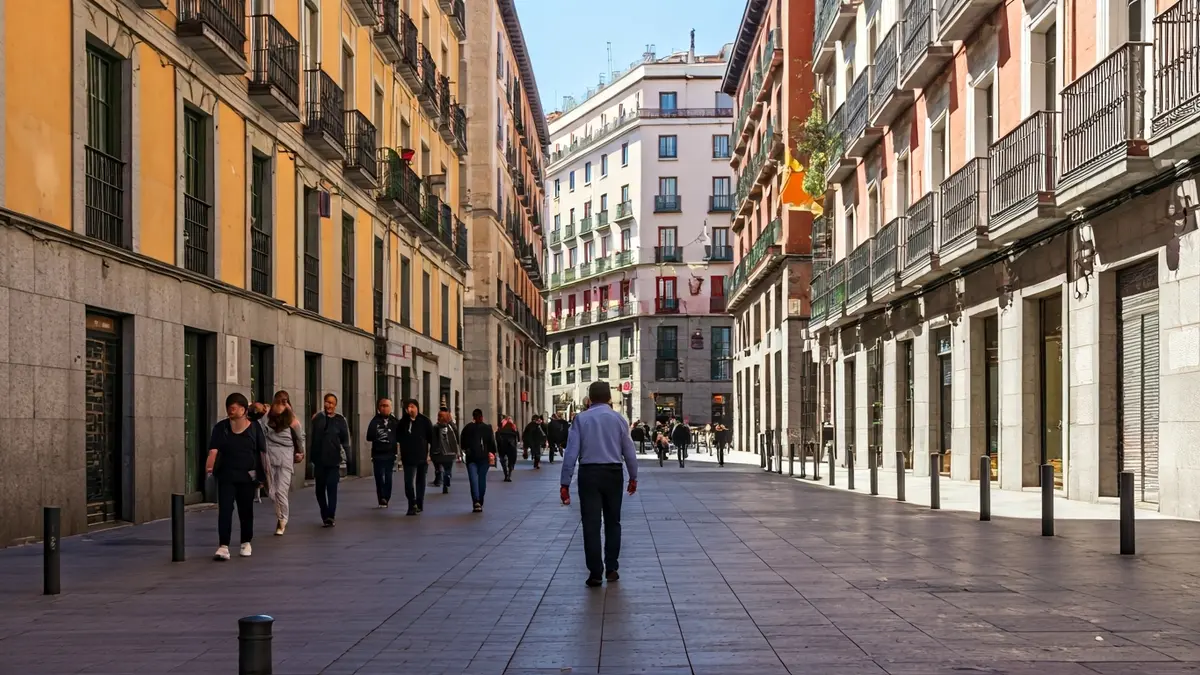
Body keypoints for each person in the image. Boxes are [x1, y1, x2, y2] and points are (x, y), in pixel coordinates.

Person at [561, 382, 638, 587]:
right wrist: (633, 476)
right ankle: (611, 567)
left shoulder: (581, 419)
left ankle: (595, 572)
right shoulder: (619, 419)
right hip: (613, 474)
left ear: (590, 399)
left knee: (591, 524)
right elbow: (628, 450)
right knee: (613, 522)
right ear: (609, 398)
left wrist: (565, 482)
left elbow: (571, 452)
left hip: (589, 474)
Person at [206, 393, 269, 560]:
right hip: (226, 475)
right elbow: (213, 450)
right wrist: (209, 468)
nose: (230, 411)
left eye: (233, 408)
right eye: (228, 408)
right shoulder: (221, 428)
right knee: (225, 510)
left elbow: (262, 453)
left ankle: (246, 542)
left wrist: (263, 477)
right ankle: (223, 546)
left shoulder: (255, 428)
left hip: (247, 476)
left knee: (245, 510)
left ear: (243, 409)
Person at [256, 391, 305, 535]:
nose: (281, 405)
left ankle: (282, 520)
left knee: (281, 490)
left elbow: (299, 438)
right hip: (270, 455)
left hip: (285, 456)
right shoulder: (266, 417)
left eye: (284, 402)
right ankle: (280, 516)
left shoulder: (292, 420)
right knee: (271, 491)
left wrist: (300, 453)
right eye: (279, 402)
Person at [310, 393, 350, 527]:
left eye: (331, 403)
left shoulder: (340, 420)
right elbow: (312, 438)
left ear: (335, 405)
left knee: (332, 488)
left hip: (333, 460)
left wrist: (347, 457)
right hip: (319, 460)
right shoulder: (318, 419)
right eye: (327, 402)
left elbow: (345, 440)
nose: (329, 405)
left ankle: (330, 516)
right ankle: (324, 513)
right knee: (319, 490)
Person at [397, 398, 435, 516]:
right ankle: (411, 503)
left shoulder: (425, 421)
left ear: (417, 407)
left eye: (412, 406)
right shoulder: (403, 422)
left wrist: (430, 454)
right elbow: (398, 437)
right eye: (408, 407)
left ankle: (419, 503)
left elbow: (432, 439)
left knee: (420, 481)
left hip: (422, 456)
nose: (410, 409)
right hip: (408, 456)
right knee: (408, 481)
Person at [460, 409, 497, 512]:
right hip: (483, 458)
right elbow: (492, 444)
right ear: (482, 417)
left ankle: (476, 501)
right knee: (481, 479)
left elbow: (462, 443)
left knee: (473, 480)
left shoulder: (467, 428)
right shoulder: (487, 428)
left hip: (471, 458)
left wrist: (467, 450)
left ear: (473, 417)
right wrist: (492, 454)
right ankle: (480, 500)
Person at [367, 398, 401, 508]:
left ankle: (386, 497)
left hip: (390, 453)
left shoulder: (395, 422)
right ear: (378, 408)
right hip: (378, 453)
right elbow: (369, 436)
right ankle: (381, 497)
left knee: (388, 476)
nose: (384, 408)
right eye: (382, 405)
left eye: (387, 406)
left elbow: (400, 437)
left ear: (391, 408)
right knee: (379, 476)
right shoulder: (374, 421)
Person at [431, 410, 460, 493]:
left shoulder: (435, 427)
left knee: (438, 466)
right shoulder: (452, 427)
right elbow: (457, 438)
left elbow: (432, 440)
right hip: (450, 453)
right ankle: (446, 478)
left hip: (437, 452)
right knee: (448, 468)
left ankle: (438, 474)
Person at [496, 416, 520, 481]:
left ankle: (506, 474)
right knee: (511, 461)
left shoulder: (500, 427)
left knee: (503, 460)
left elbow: (497, 437)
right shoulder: (513, 426)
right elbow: (518, 438)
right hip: (511, 446)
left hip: (502, 446)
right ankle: (509, 475)